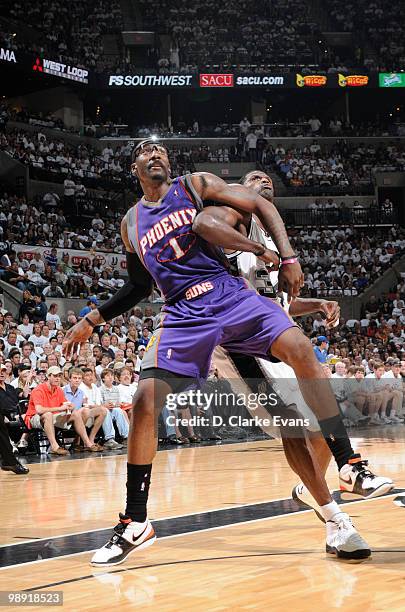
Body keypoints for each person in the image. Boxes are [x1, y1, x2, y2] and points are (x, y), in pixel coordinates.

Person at [63, 139, 371, 566]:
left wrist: (288, 257)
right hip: (184, 311)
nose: (156, 155)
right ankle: (136, 521)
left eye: (161, 150)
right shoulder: (131, 223)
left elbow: (262, 207)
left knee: (301, 351)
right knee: (145, 399)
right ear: (134, 166)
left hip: (229, 295)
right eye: (146, 151)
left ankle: (347, 464)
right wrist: (92, 319)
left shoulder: (194, 186)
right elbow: (138, 286)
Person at [195, 170, 392, 507]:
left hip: (274, 333)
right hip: (242, 339)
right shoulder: (234, 217)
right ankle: (339, 479)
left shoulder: (273, 239)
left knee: (325, 414)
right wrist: (260, 250)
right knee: (295, 422)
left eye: (268, 178)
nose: (264, 180)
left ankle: (314, 487)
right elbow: (204, 226)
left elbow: (282, 301)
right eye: (255, 177)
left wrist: (317, 304)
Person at [24, 366, 85, 456]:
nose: (58, 378)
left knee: (76, 413)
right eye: (55, 376)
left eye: (59, 376)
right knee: (48, 414)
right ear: (48, 376)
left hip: (53, 416)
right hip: (34, 417)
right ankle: (54, 446)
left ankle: (87, 443)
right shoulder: (38, 389)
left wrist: (70, 406)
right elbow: (39, 410)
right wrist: (60, 408)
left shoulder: (59, 390)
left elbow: (65, 404)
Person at [0, 364, 29, 474]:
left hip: (14, 416)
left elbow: (24, 395)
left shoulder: (11, 388)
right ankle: (10, 462)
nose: (1, 373)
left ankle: (9, 461)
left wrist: (28, 380)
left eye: (3, 370)